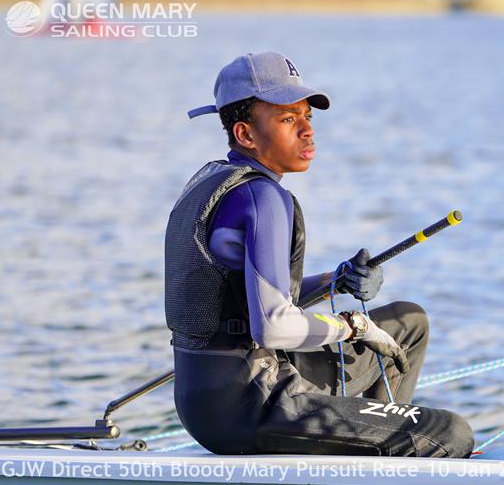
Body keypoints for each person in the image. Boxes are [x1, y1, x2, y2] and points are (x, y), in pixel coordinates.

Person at [166, 51, 474, 457]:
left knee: (408, 321)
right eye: (287, 119)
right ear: (245, 134)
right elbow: (273, 327)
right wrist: (354, 326)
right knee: (451, 432)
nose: (307, 131)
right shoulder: (262, 197)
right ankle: (388, 448)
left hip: (206, 399)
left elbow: (242, 299)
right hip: (250, 403)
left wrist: (334, 281)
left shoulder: (213, 182)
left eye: (307, 116)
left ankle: (377, 440)